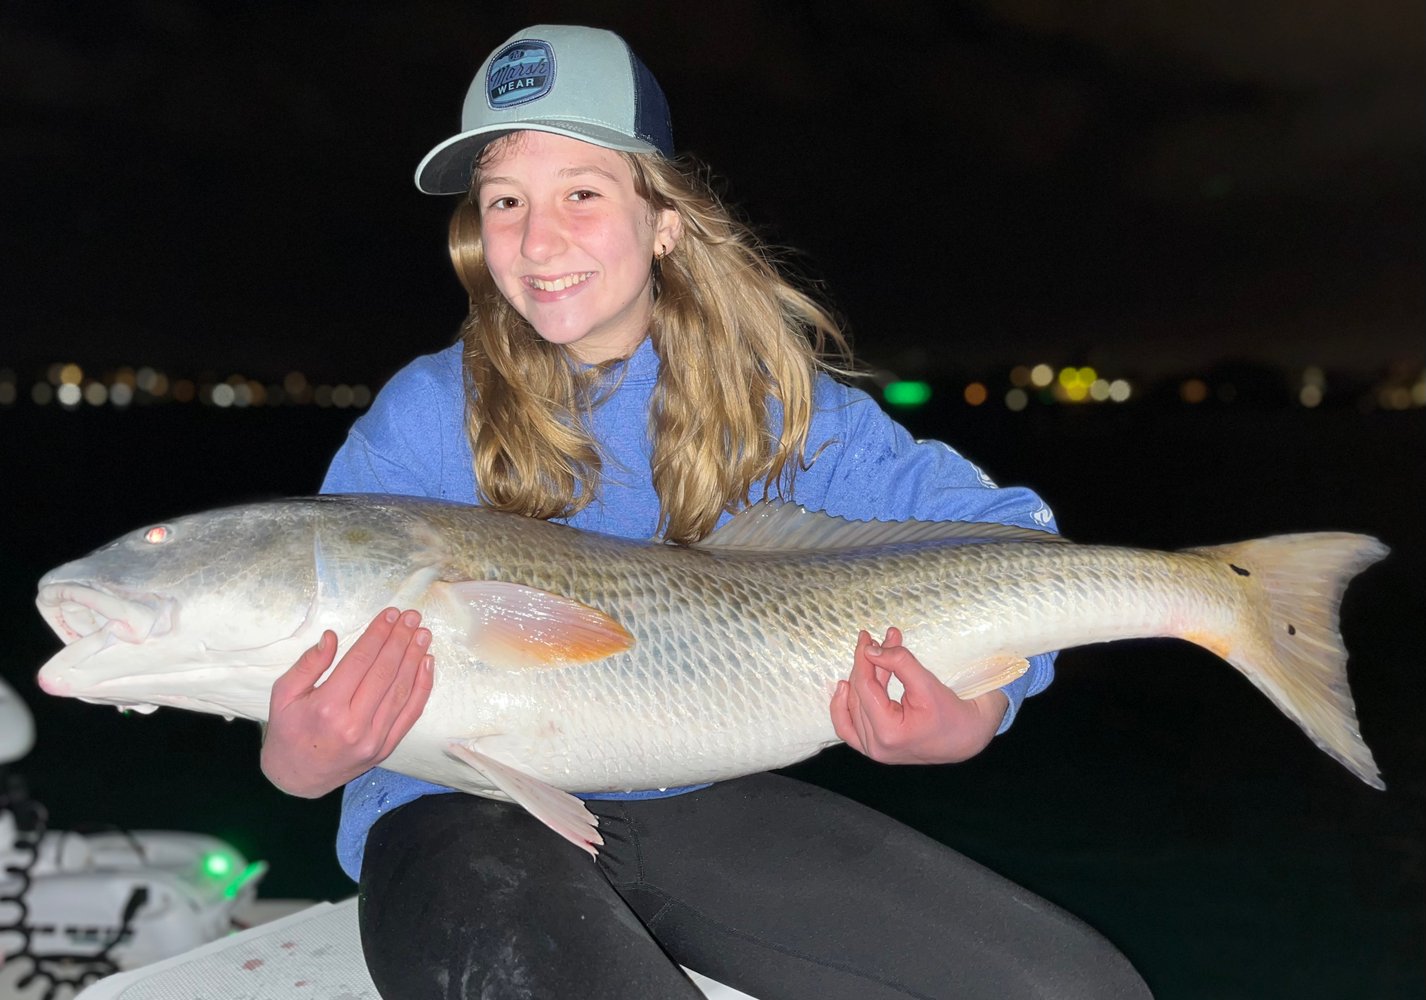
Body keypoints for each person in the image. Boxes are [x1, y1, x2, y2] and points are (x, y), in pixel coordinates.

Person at [260, 24, 1151, 1000]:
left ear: (664, 220)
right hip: (454, 809)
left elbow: (1008, 537)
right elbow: (301, 637)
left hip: (685, 799)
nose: (536, 237)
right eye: (504, 200)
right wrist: (300, 756)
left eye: (582, 194)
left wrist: (980, 705)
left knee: (1076, 989)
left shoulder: (774, 406)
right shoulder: (426, 418)